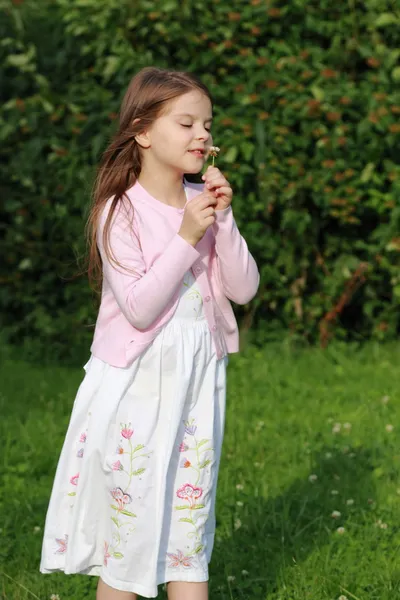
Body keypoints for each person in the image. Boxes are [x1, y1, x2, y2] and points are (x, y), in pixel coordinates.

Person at [40, 66, 259, 600]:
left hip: (196, 382)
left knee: (189, 523)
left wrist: (222, 222)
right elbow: (139, 308)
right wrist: (187, 235)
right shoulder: (118, 211)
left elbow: (244, 288)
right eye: (186, 123)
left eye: (206, 124)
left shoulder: (203, 204)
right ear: (142, 132)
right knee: (131, 532)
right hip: (138, 385)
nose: (202, 135)